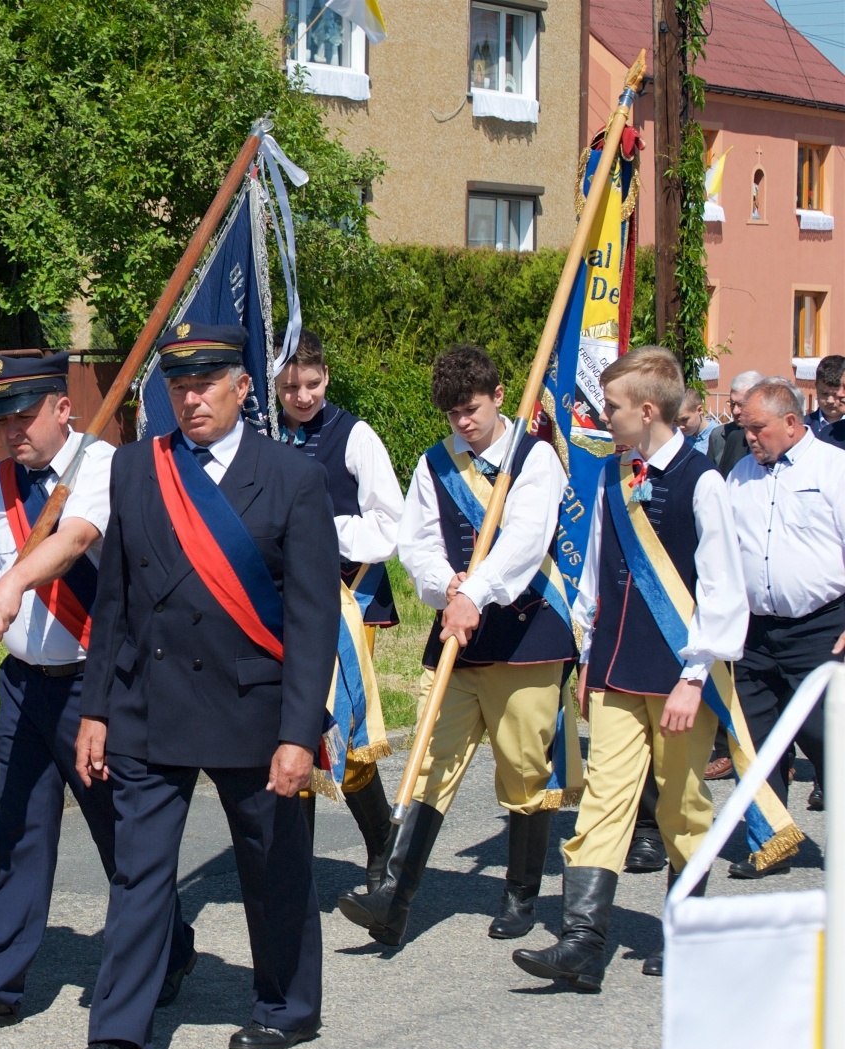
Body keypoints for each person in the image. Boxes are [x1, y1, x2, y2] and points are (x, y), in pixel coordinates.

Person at [53, 323, 340, 1049]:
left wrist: (298, 730)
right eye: (178, 385)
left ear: (243, 389)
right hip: (150, 702)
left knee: (273, 866)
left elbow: (313, 621)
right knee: (139, 874)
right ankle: (119, 1034)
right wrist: (94, 707)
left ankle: (287, 1003)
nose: (190, 398)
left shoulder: (292, 477)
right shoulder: (139, 470)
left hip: (255, 706)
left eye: (206, 383)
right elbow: (114, 599)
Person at [0, 353, 195, 1030]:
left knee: (121, 833)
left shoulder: (103, 465)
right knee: (16, 828)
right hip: (23, 683)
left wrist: (17, 583)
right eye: (2, 418)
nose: (13, 429)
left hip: (92, 684)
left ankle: (166, 949)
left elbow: (76, 541)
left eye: (25, 414)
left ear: (62, 408)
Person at [511, 347, 748, 991]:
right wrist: (587, 656)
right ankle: (582, 943)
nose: (601, 417)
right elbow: (593, 572)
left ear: (647, 411)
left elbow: (725, 589)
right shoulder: (614, 475)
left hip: (677, 676)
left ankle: (689, 933)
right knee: (604, 803)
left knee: (681, 806)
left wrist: (696, 675)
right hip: (615, 666)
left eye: (611, 408)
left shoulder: (704, 481)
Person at [338, 344, 575, 949]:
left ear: (498, 397)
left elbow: (526, 540)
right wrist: (446, 585)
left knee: (523, 766)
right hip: (458, 638)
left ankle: (521, 893)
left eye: (471, 409)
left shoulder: (536, 457)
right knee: (428, 762)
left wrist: (480, 591)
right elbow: (415, 540)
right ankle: (394, 897)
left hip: (525, 634)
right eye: (452, 415)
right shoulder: (434, 464)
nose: (463, 423)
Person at [274, 331, 404, 891]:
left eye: (311, 384)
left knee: (340, 732)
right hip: (283, 605)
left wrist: (320, 529)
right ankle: (292, 868)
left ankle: (383, 850)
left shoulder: (356, 436)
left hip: (348, 603)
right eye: (290, 387)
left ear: (326, 377)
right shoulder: (265, 435)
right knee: (289, 729)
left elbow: (389, 525)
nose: (302, 396)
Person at [725, 377, 845, 865]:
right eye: (746, 429)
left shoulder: (834, 469)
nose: (750, 437)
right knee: (753, 742)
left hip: (820, 630)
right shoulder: (740, 476)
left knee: (825, 738)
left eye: (759, 429)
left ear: (792, 423)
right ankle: (768, 840)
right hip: (754, 632)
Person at [711, 369, 763, 474]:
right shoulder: (719, 435)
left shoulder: (769, 437)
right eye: (732, 403)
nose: (735, 411)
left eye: (741, 404)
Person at [804, 354, 845, 450]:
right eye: (824, 393)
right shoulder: (802, 426)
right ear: (816, 387)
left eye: (835, 394)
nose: (830, 401)